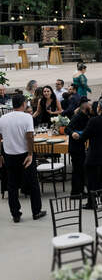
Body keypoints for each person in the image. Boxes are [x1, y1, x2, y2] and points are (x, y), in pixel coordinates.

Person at [0, 91, 46, 222]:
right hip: (25, 155)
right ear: (23, 104)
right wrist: (31, 154)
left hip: (9, 154)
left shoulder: (3, 118)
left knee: (12, 185)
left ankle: (15, 214)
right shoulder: (27, 117)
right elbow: (30, 136)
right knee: (33, 183)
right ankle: (36, 211)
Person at [72, 98, 102, 208]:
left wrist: (77, 135)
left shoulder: (94, 121)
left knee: (91, 179)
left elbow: (84, 136)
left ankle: (92, 202)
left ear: (99, 108)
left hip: (94, 154)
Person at [66, 99, 91, 198]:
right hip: (75, 147)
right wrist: (73, 133)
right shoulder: (77, 117)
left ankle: (80, 191)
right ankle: (76, 193)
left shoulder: (86, 116)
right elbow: (68, 128)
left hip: (80, 146)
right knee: (77, 170)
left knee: (80, 170)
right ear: (85, 107)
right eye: (89, 105)